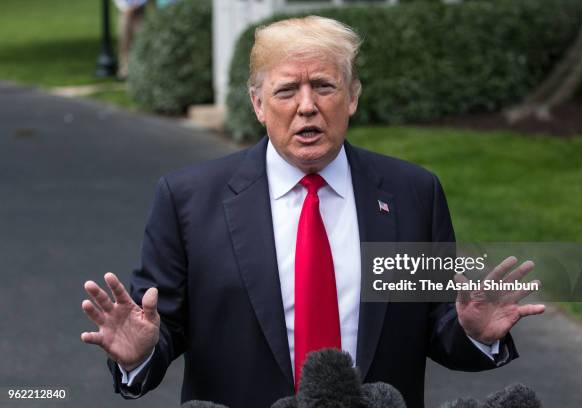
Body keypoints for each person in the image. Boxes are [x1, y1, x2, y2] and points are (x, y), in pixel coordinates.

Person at [80, 16, 545, 408]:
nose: (307, 107)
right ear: (258, 104)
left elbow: (436, 324)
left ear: (353, 97)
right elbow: (162, 327)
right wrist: (136, 355)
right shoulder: (187, 199)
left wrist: (474, 333)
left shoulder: (411, 193)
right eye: (287, 91)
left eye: (324, 86)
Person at [113, 0, 148, 79]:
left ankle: (141, 68)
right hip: (125, 12)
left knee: (140, 40)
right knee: (124, 42)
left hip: (139, 11)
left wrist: (135, 6)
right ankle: (125, 69)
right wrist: (125, 8)